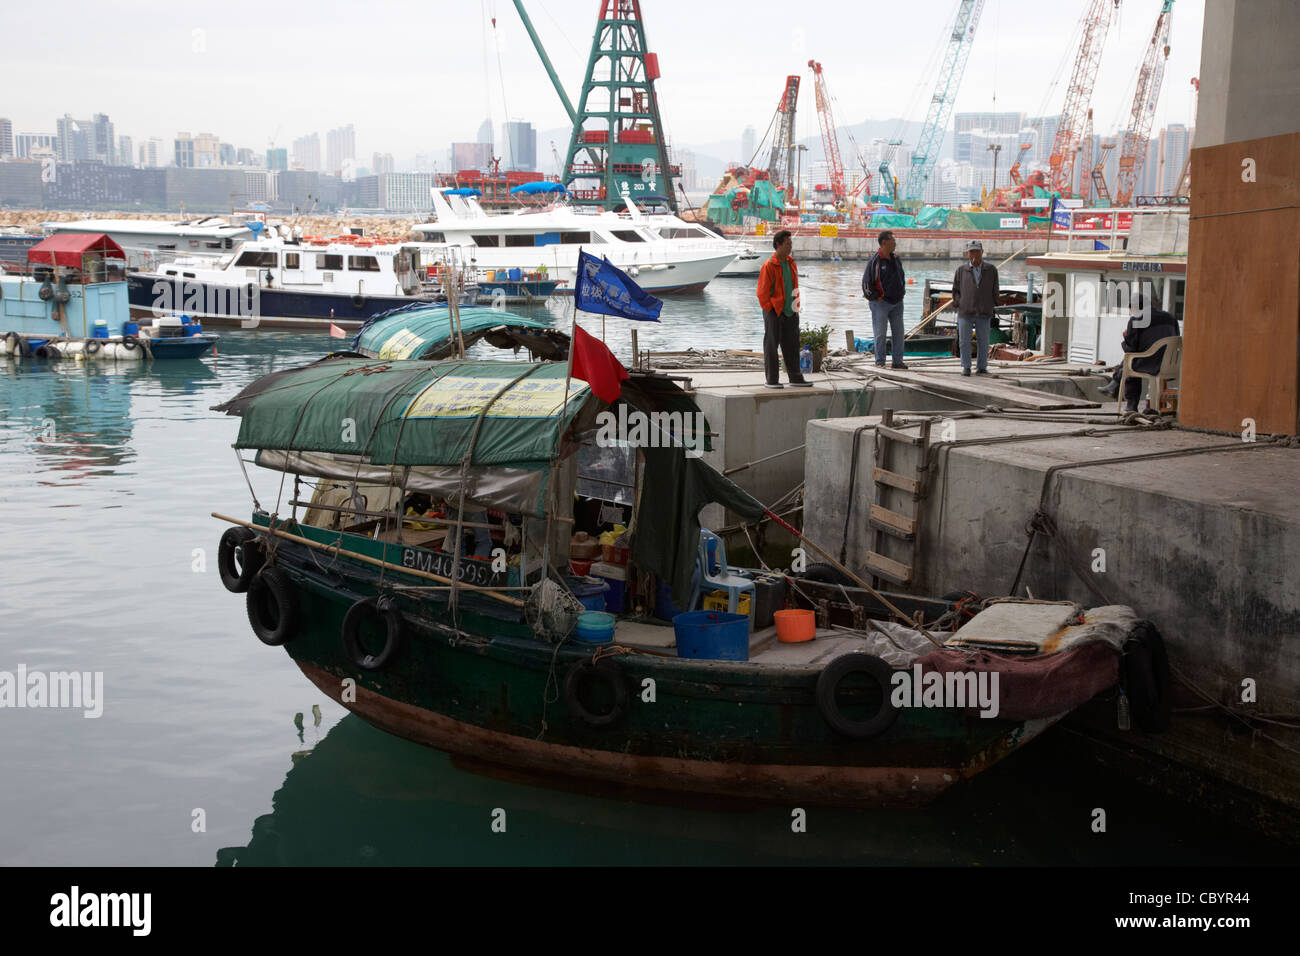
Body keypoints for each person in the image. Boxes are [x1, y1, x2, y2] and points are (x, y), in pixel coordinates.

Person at [1099, 289, 1181, 411]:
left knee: (1130, 361)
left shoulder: (1136, 320)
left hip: (1151, 364)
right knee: (1133, 359)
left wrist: (1125, 338)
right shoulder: (1171, 318)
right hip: (1171, 364)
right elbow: (1176, 337)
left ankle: (1130, 404)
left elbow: (1130, 349)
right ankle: (1114, 385)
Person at [756, 229, 812, 388]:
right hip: (774, 311)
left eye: (791, 244)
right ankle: (772, 380)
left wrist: (796, 307)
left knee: (793, 345)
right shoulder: (769, 265)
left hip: (791, 310)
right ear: (778, 245)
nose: (790, 247)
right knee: (771, 346)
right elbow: (762, 292)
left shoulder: (791, 263)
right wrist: (770, 309)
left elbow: (793, 286)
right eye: (788, 244)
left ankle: (795, 377)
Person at [951, 239, 999, 376]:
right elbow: (955, 290)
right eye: (971, 251)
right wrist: (958, 302)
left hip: (984, 310)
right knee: (964, 341)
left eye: (977, 251)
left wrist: (994, 303)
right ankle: (966, 366)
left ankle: (982, 367)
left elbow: (995, 288)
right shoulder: (961, 270)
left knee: (983, 341)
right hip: (965, 311)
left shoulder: (991, 269)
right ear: (967, 254)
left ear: (982, 252)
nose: (974, 254)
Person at [862, 230, 908, 369]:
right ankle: (880, 361)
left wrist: (902, 293)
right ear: (884, 242)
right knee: (880, 333)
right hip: (881, 304)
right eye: (892, 241)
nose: (895, 243)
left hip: (897, 302)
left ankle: (897, 361)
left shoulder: (895, 258)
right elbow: (866, 284)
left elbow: (901, 277)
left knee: (899, 333)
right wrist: (875, 297)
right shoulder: (875, 261)